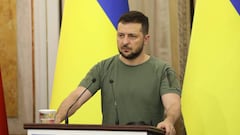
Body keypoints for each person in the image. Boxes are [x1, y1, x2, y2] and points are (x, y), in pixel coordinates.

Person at [54, 10, 181, 135]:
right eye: (121, 35)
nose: (125, 42)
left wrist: (169, 121)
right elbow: (77, 97)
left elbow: (173, 105)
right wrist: (55, 121)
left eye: (132, 36)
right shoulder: (103, 68)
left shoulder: (162, 70)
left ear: (146, 39)